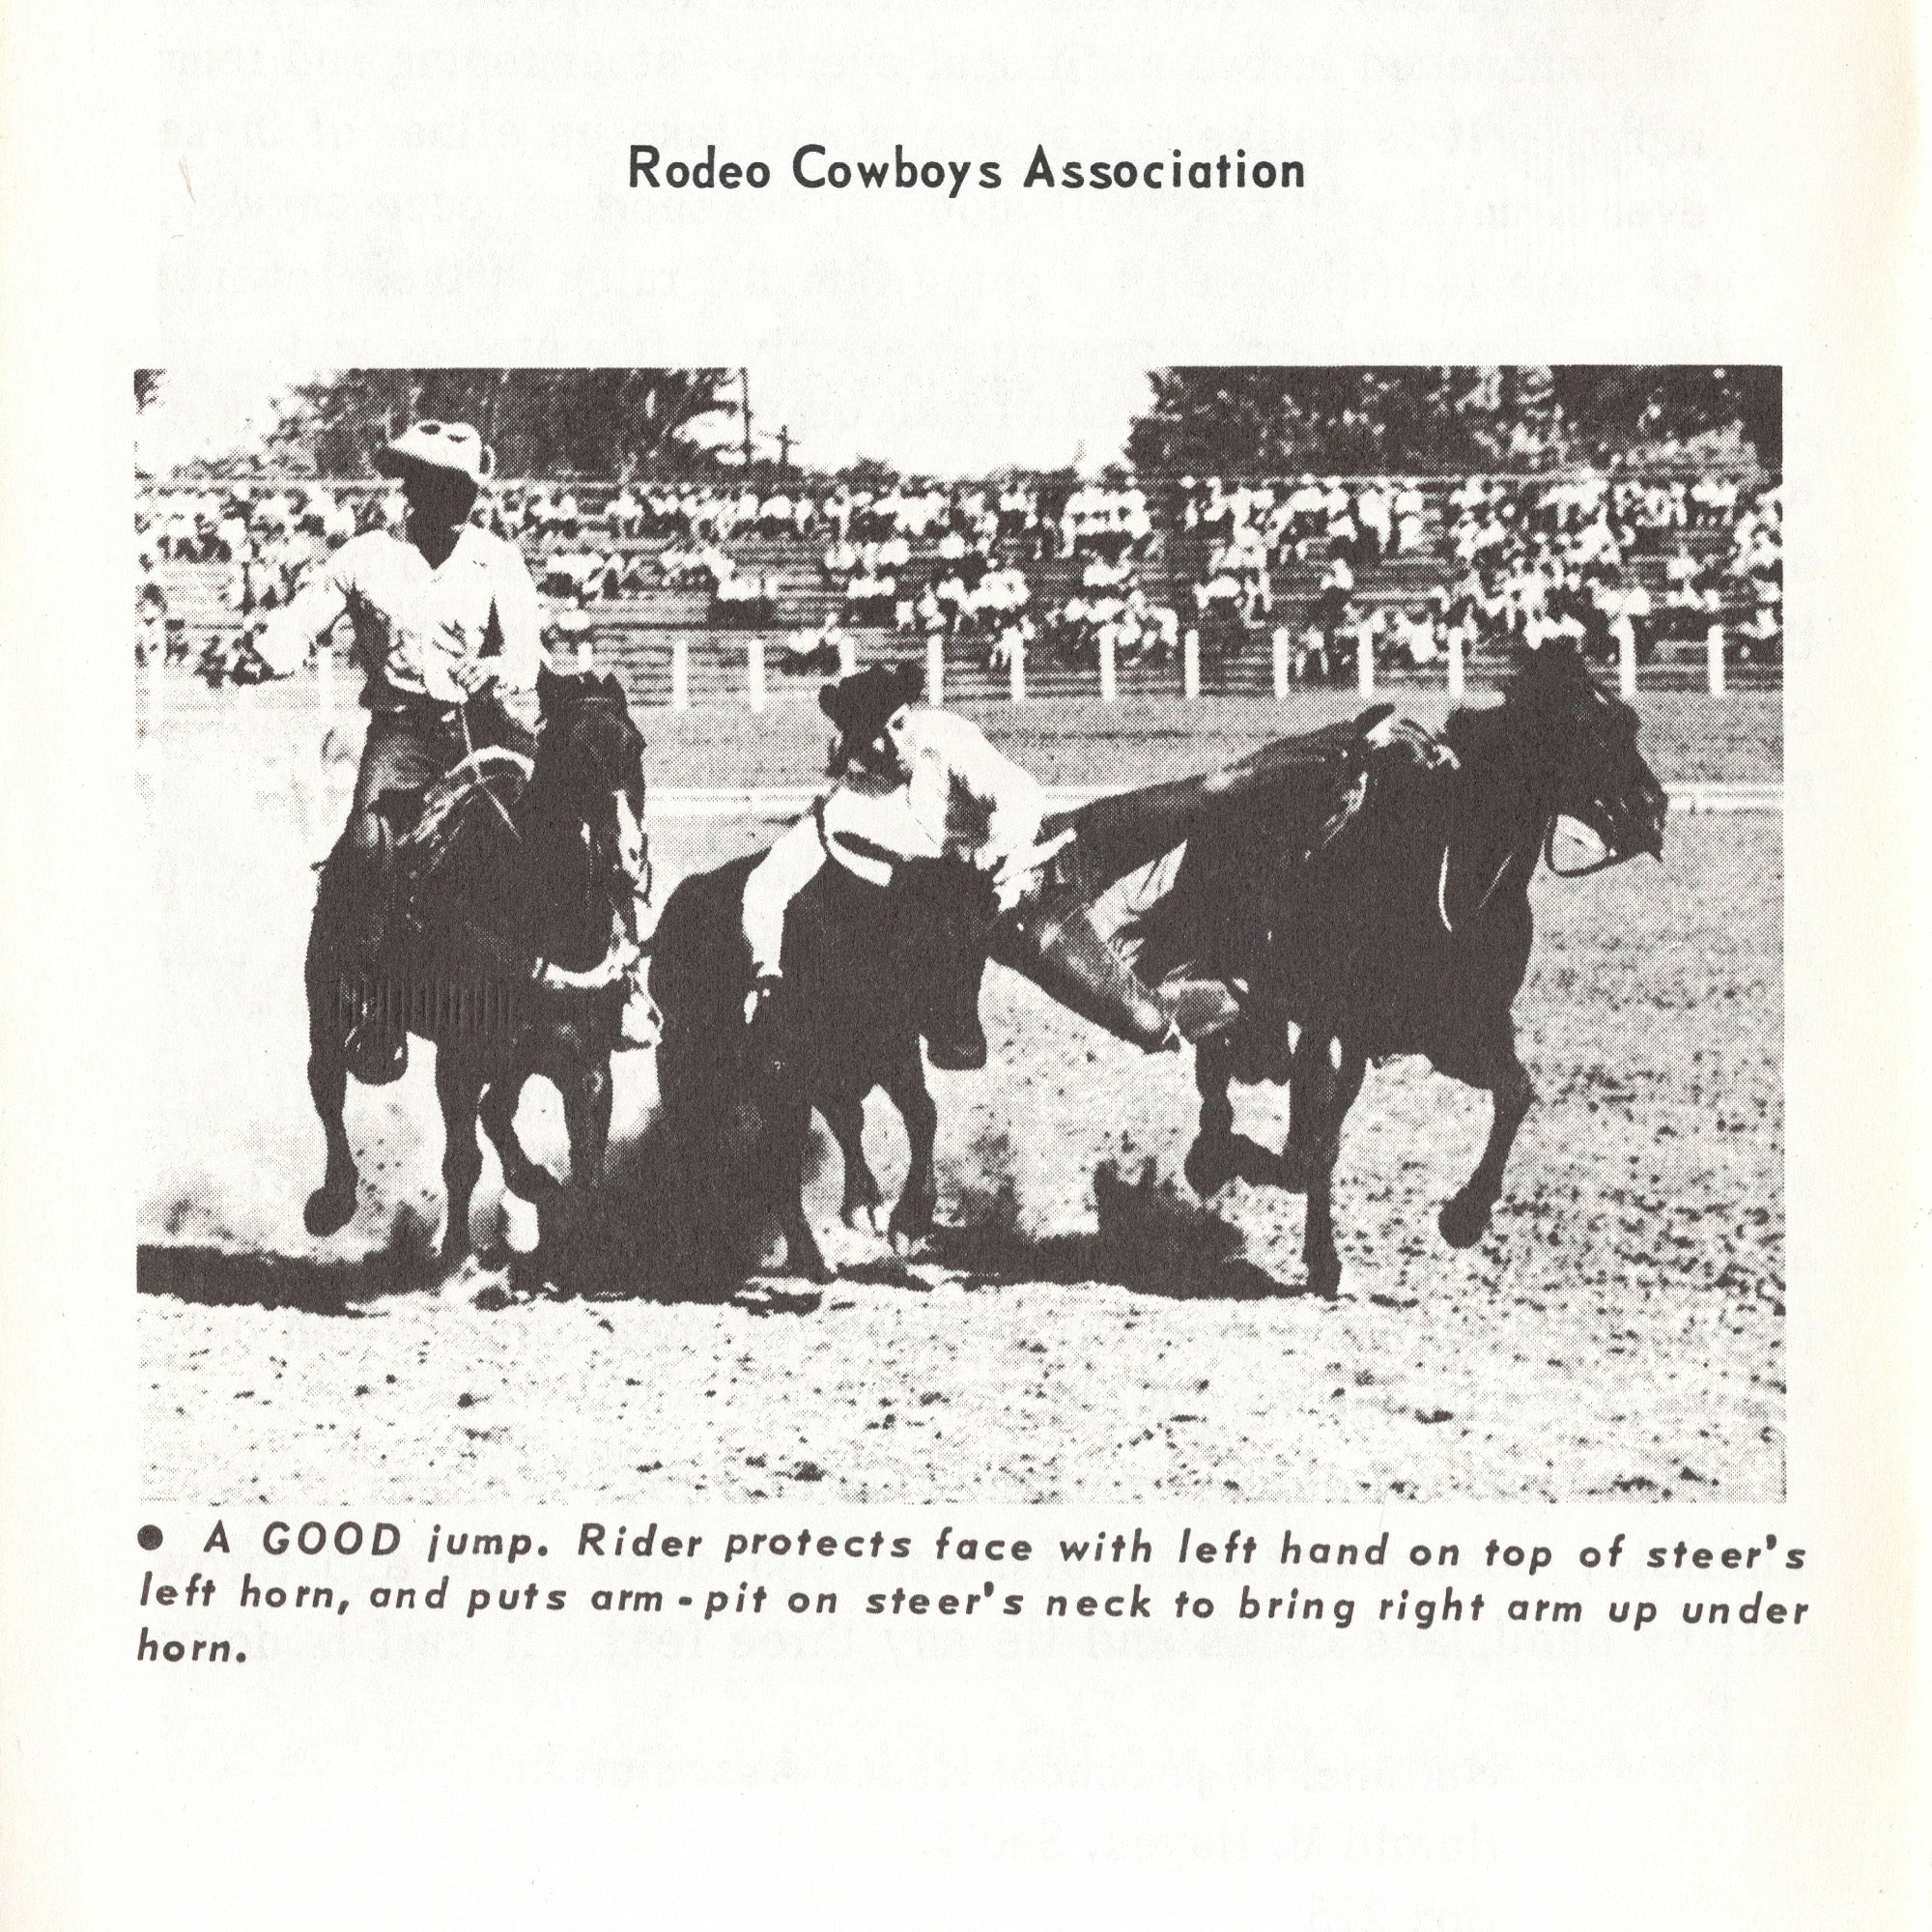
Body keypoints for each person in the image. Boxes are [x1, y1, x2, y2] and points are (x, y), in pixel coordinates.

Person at [249, 418, 651, 1077]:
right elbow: (303, 620)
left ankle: (623, 983)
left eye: (469, 488)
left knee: (582, 812)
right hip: (403, 735)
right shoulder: (364, 557)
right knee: (368, 846)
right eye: (449, 486)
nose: (464, 500)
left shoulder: (499, 560)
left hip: (487, 721)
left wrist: (494, 669)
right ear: (418, 486)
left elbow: (524, 650)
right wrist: (265, 655)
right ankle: (379, 1003)